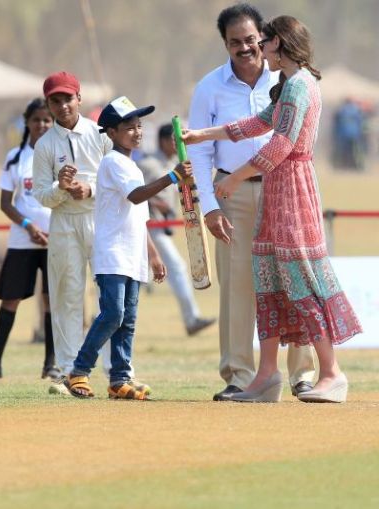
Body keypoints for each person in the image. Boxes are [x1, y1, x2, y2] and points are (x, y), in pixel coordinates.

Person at [184, 16, 363, 403]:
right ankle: (266, 376)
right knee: (268, 281)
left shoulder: (300, 87)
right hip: (277, 191)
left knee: (301, 281)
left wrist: (232, 179)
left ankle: (330, 372)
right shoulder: (288, 86)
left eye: (263, 41)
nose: (260, 50)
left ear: (279, 43)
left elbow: (280, 144)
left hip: (292, 189)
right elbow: (255, 124)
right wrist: (203, 135)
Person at [66, 96, 191, 400]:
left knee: (128, 320)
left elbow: (140, 216)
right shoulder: (112, 162)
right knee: (112, 314)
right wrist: (173, 176)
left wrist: (153, 254)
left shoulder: (132, 165)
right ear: (111, 132)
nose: (136, 132)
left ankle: (120, 379)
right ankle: (78, 371)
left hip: (133, 254)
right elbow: (137, 196)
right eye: (128, 127)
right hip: (112, 254)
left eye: (139, 126)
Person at [32, 71, 114, 395]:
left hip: (99, 219)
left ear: (79, 98)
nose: (63, 105)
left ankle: (116, 371)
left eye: (68, 98)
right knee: (67, 296)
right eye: (56, 100)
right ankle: (69, 371)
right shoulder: (45, 145)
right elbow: (41, 194)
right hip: (64, 223)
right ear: (49, 104)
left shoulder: (101, 134)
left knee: (111, 296)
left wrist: (90, 189)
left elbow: (117, 180)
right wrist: (61, 187)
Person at [0, 98, 59, 381]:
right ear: (27, 122)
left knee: (52, 302)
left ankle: (51, 364)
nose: (42, 125)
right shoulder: (15, 157)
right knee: (10, 299)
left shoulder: (63, 155)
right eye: (37, 120)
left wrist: (53, 230)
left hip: (55, 241)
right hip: (22, 241)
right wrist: (28, 226)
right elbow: (6, 203)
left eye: (47, 120)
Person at [137, 124, 216, 336]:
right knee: (176, 268)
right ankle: (192, 319)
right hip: (148, 227)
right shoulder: (149, 164)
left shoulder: (174, 163)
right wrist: (155, 201)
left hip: (160, 227)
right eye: (175, 140)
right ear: (163, 141)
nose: (179, 144)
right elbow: (135, 192)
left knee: (140, 276)